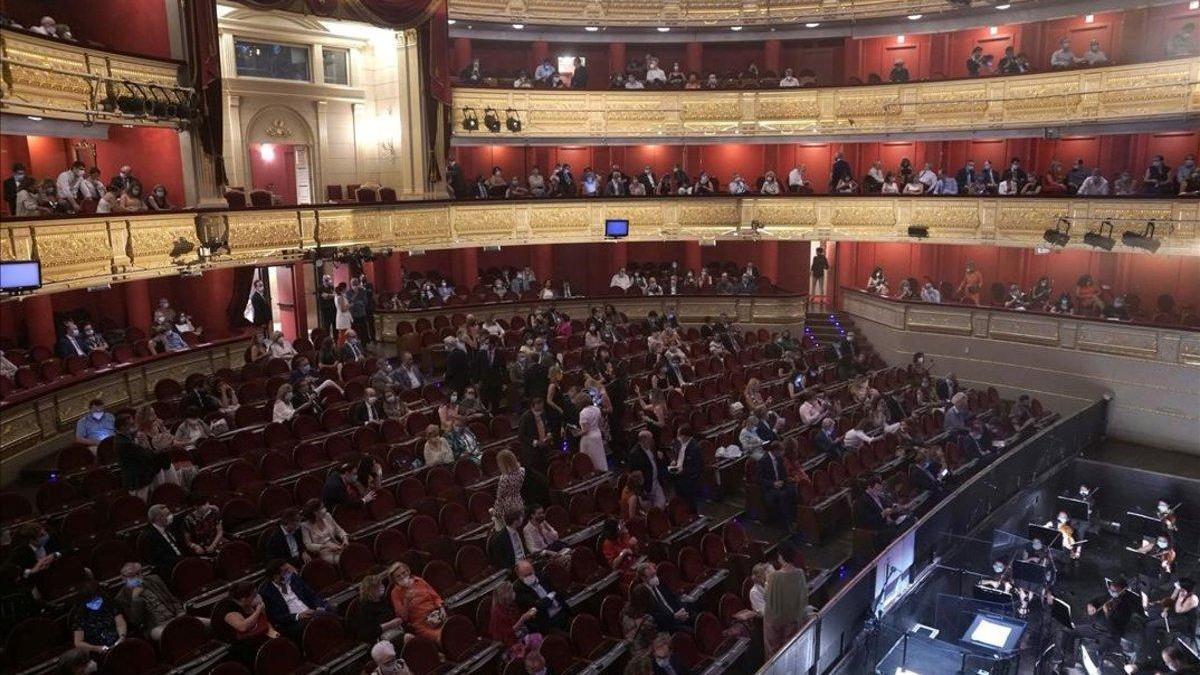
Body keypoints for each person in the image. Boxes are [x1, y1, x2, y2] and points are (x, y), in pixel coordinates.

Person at [260, 558, 332, 643]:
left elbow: (311, 594)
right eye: (285, 571)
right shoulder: (266, 592)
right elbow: (277, 617)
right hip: (293, 622)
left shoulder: (293, 578)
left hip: (312, 610)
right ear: (276, 576)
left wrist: (319, 606)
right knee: (316, 621)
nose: (289, 572)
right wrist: (298, 616)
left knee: (329, 608)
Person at [115, 562, 188, 640]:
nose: (136, 578)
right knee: (170, 634)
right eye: (131, 576)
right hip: (156, 626)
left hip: (174, 616)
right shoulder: (122, 597)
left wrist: (180, 612)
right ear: (123, 579)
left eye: (138, 574)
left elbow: (172, 599)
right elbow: (137, 621)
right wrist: (135, 599)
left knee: (202, 621)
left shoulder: (154, 579)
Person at [762, 542, 809, 654]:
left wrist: (766, 585)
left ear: (781, 556)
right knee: (790, 651)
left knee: (775, 653)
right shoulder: (800, 573)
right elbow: (803, 597)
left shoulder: (773, 577)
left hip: (776, 623)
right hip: (794, 619)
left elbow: (767, 597)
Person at [211, 581, 274, 664]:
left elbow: (262, 621)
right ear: (244, 599)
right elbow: (242, 627)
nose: (257, 597)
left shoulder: (247, 603)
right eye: (254, 595)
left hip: (250, 636)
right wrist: (258, 611)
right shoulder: (226, 608)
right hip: (233, 644)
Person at [389, 562, 447, 642]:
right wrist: (406, 600)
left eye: (404, 573)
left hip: (436, 615)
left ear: (408, 571)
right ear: (394, 580)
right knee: (443, 637)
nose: (402, 577)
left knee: (454, 628)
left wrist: (442, 609)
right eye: (398, 576)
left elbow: (435, 597)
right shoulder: (395, 593)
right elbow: (404, 617)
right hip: (422, 624)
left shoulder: (419, 581)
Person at [71, 580, 127, 654]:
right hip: (96, 650)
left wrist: (122, 637)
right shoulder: (79, 614)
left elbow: (120, 623)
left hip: (118, 642)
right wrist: (96, 648)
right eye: (91, 602)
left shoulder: (110, 603)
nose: (95, 604)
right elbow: (78, 643)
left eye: (97, 600)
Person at [489, 581, 539, 655]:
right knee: (537, 639)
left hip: (520, 634)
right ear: (504, 595)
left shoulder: (511, 604)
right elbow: (507, 634)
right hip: (508, 643)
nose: (513, 593)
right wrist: (522, 619)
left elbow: (517, 619)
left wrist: (528, 615)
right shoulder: (497, 613)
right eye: (511, 591)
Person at [757, 442, 797, 533]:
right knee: (784, 495)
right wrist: (773, 484)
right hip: (770, 489)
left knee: (793, 489)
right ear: (775, 451)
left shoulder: (779, 459)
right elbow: (759, 479)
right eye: (781, 451)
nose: (783, 453)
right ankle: (787, 524)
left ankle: (794, 518)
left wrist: (783, 481)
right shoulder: (763, 460)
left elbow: (783, 473)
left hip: (781, 484)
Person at [356, 573, 407, 645]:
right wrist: (391, 624)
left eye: (381, 584)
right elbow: (369, 632)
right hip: (382, 638)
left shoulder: (383, 600)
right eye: (377, 586)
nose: (381, 587)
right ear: (369, 590)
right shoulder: (365, 608)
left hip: (397, 630)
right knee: (408, 638)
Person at [639, 561, 688, 632]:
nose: (655, 578)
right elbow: (655, 617)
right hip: (668, 625)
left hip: (679, 615)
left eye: (655, 574)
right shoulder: (644, 595)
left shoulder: (660, 582)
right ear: (643, 579)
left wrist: (683, 611)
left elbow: (673, 598)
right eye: (652, 576)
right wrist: (674, 617)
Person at [300, 498, 349, 565]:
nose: (324, 509)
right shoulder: (305, 526)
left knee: (352, 555)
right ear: (315, 512)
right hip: (323, 552)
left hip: (337, 546)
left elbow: (339, 530)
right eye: (322, 508)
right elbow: (308, 545)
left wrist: (345, 539)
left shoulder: (327, 516)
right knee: (344, 560)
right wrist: (326, 546)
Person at [668, 425, 702, 513]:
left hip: (688, 479)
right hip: (678, 475)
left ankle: (693, 516)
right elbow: (675, 453)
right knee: (680, 499)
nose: (677, 437)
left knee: (690, 501)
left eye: (679, 435)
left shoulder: (695, 448)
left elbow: (696, 466)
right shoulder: (679, 443)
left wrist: (684, 472)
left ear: (684, 436)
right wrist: (674, 461)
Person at [142, 504, 185, 571]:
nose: (171, 516)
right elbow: (161, 558)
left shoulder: (170, 526)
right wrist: (183, 561)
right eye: (167, 514)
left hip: (182, 561)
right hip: (169, 568)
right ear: (159, 518)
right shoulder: (149, 536)